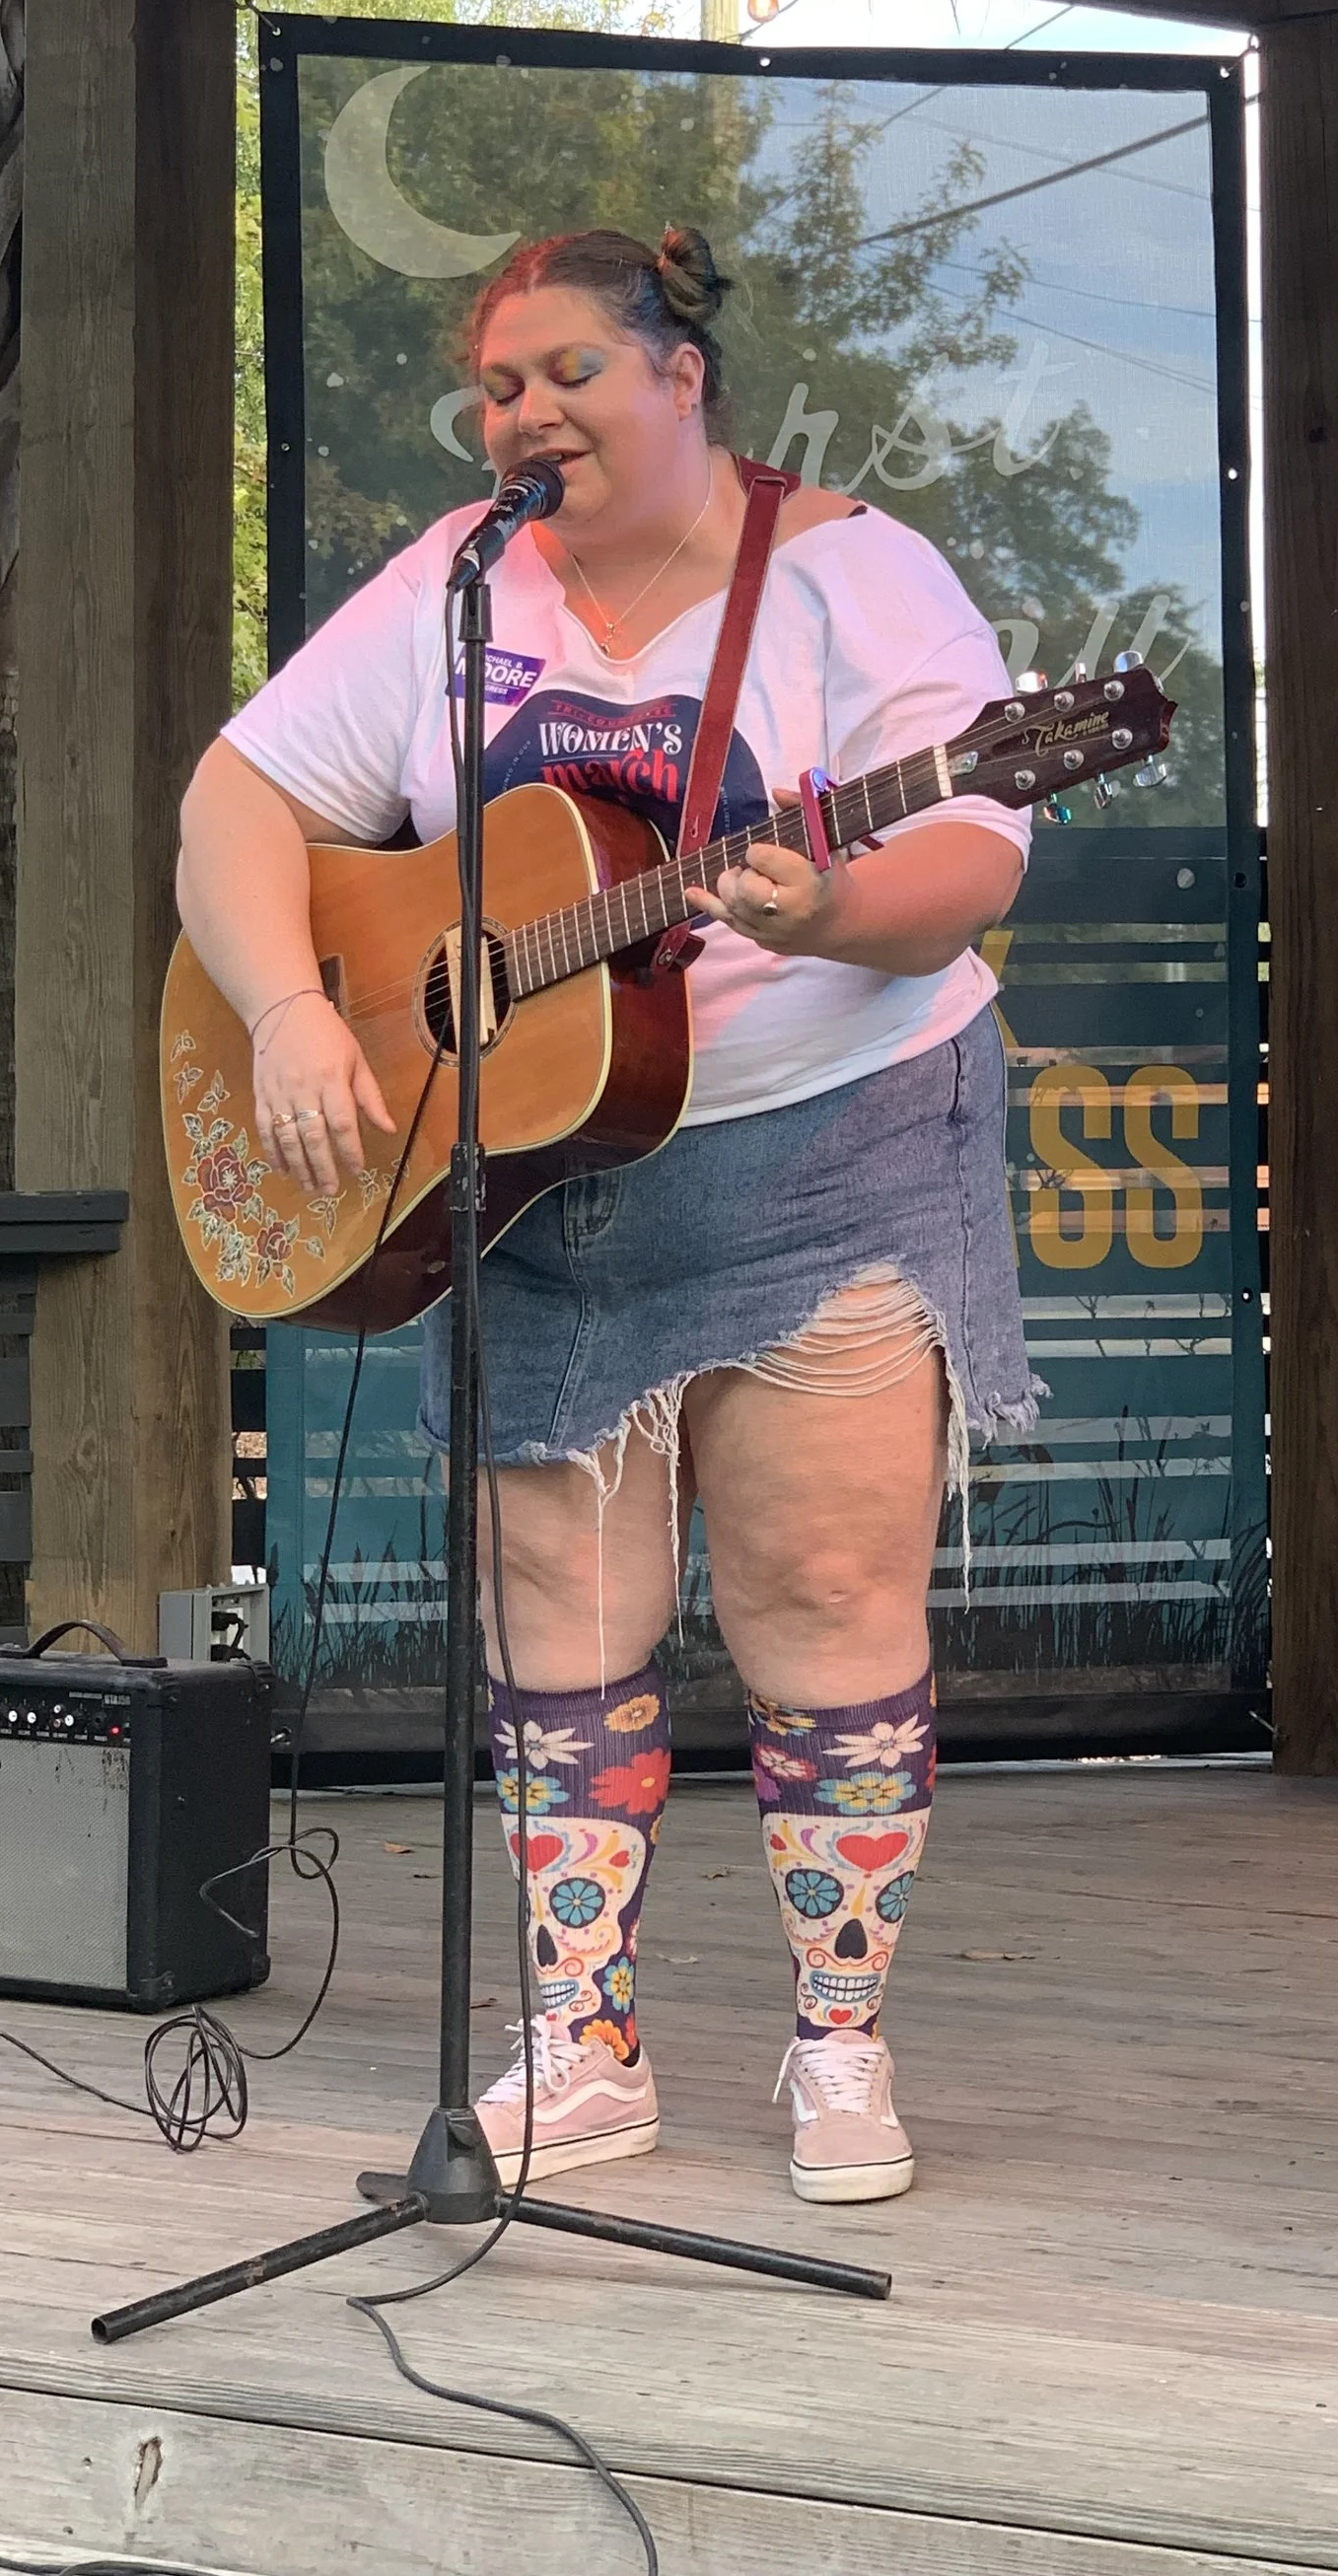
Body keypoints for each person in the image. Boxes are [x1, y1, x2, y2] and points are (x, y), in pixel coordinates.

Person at [176, 225, 1036, 2206]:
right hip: (542, 1179)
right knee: (555, 1615)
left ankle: (839, 2041)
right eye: (500, 385)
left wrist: (839, 903)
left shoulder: (849, 573)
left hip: (822, 1148)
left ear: (679, 378)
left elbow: (977, 847)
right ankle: (583, 2044)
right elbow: (237, 798)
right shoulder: (456, 584)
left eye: (571, 369)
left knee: (824, 1592)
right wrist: (290, 1007)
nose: (528, 411)